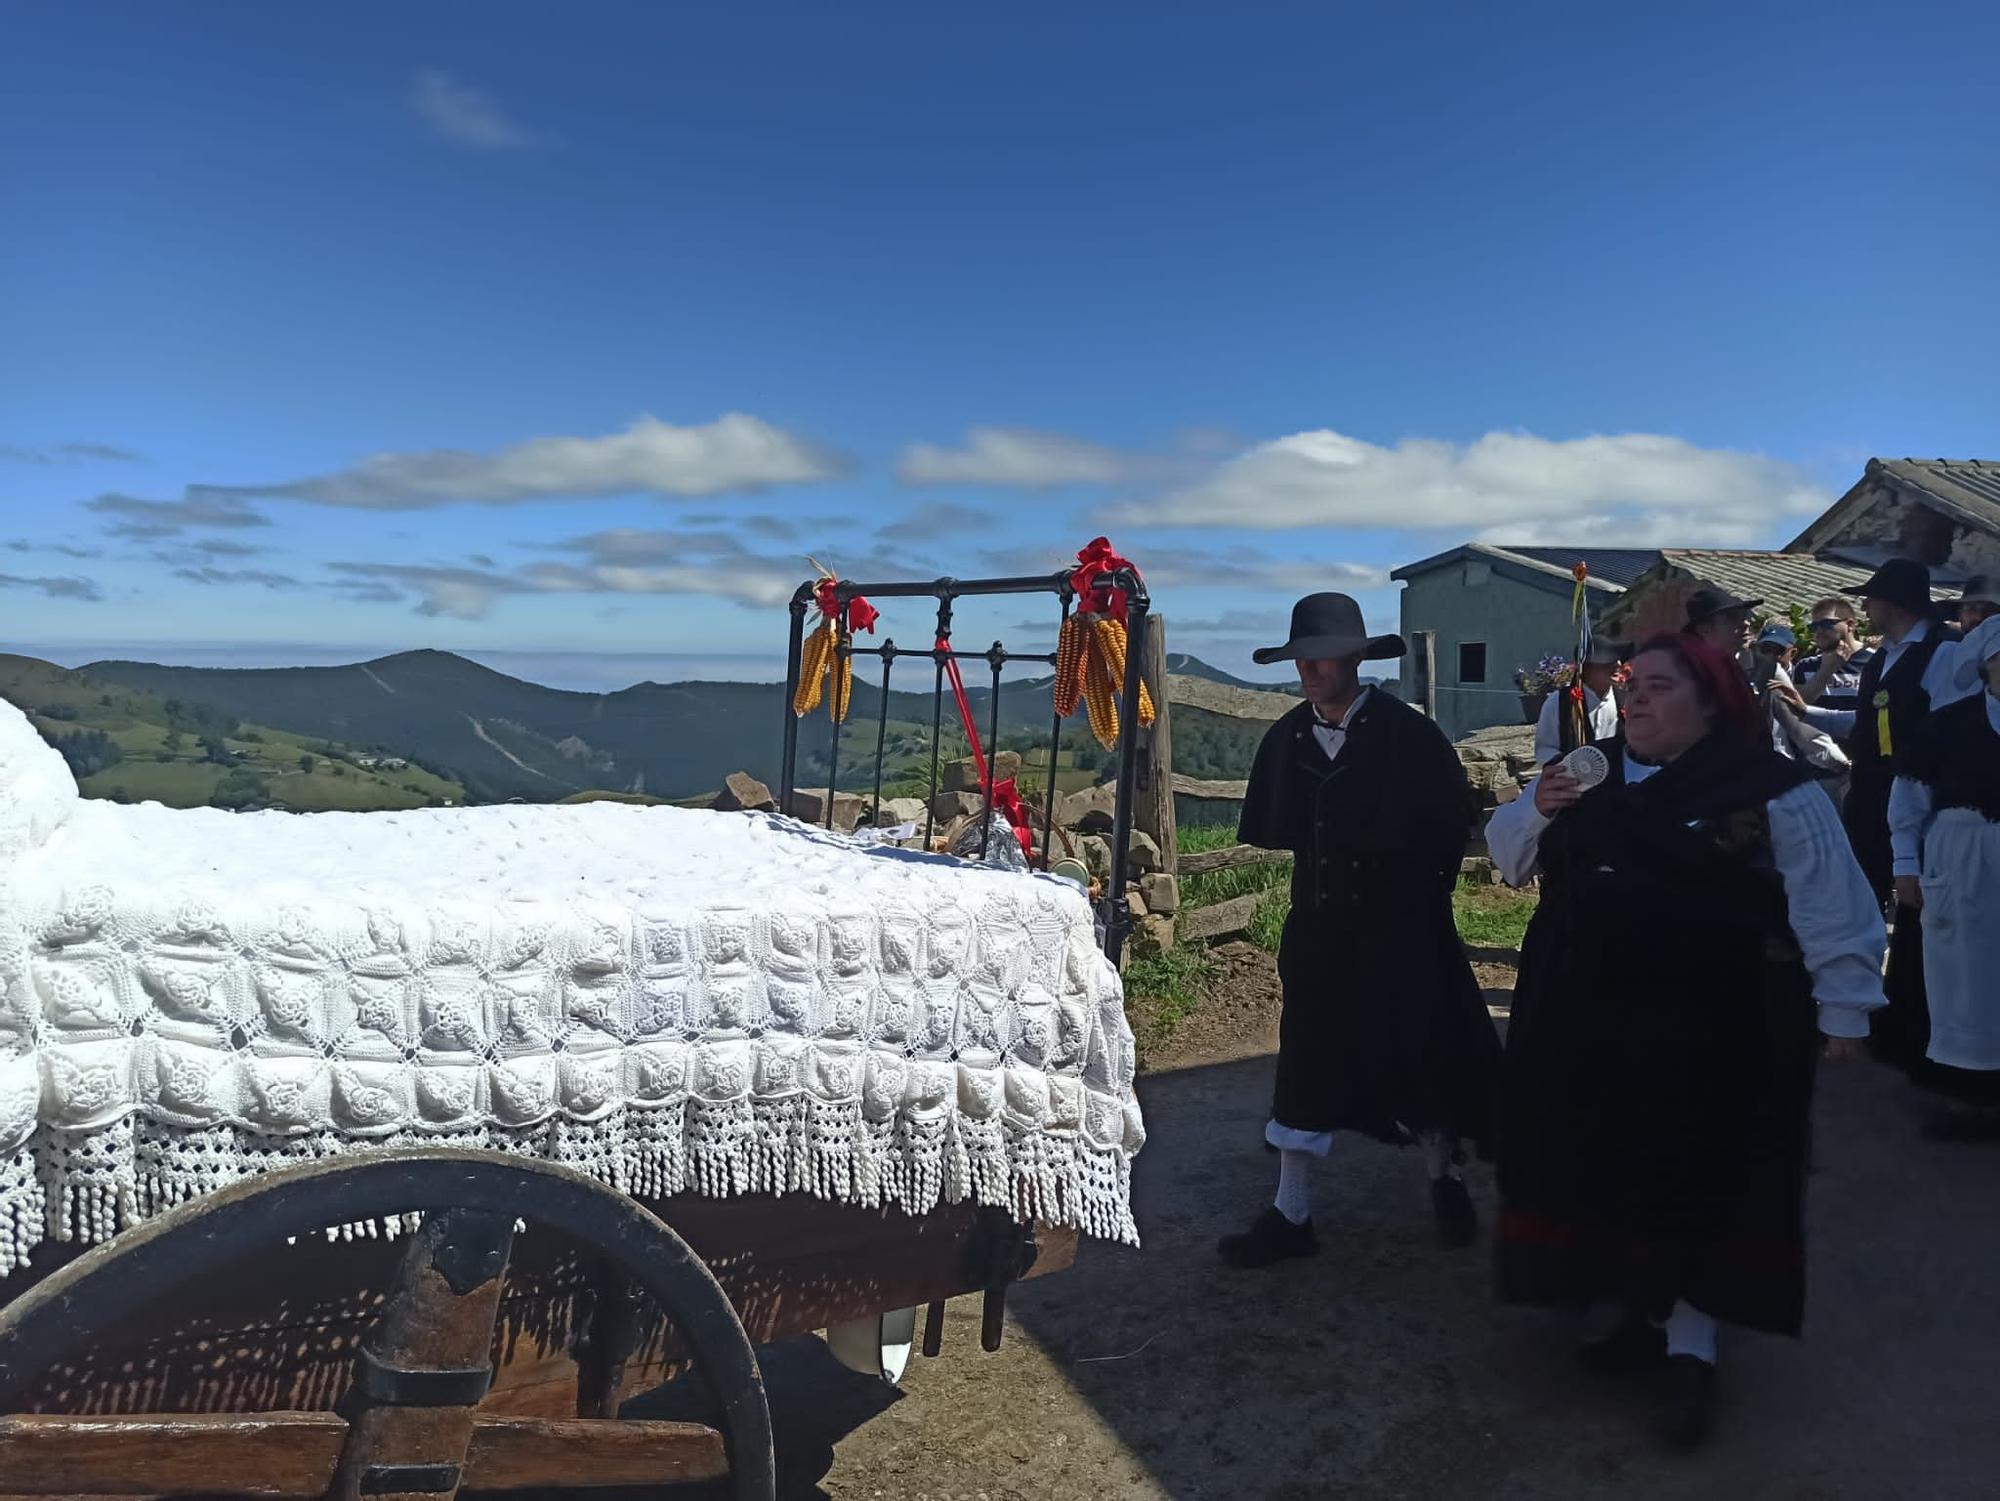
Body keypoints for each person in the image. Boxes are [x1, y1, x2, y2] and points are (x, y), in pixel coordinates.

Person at [1486, 634, 1885, 1448]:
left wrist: (1844, 1007)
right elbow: (1508, 861)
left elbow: (1831, 896)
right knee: (1605, 1164)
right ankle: (1636, 1312)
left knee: (1697, 1171)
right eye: (1630, 686)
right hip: (1583, 1018)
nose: (1633, 699)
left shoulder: (1764, 788)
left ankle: (1692, 1351)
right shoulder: (1583, 774)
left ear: (1710, 703)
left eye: (1659, 687)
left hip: (1711, 1022)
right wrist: (1536, 806)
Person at [1219, 592, 1501, 1268]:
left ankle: (1445, 1176)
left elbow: (1445, 837)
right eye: (1301, 660)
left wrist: (1414, 914)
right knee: (1306, 1065)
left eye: (1322, 657)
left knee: (1419, 1054)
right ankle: (1292, 1214)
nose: (1311, 670)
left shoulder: (1409, 736)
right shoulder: (1288, 737)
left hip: (1400, 930)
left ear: (1354, 656)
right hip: (1319, 932)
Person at [1778, 559, 1943, 1065]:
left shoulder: (1941, 651)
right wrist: (1808, 714)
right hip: (1873, 790)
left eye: (1870, 600)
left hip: (1918, 792)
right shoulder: (1885, 657)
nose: (1864, 609)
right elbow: (1868, 723)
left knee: (1915, 907)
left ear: (1892, 602)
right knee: (1860, 892)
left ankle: (1917, 1024)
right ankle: (1865, 1012)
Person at [1887, 617, 2000, 1141]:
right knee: (1963, 979)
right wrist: (1905, 865)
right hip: (1962, 859)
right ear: (1985, 666)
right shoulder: (1950, 724)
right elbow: (1908, 800)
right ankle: (1962, 1100)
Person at [1532, 638, 1626, 766]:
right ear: (1586, 670)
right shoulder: (1559, 702)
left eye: (1617, 660)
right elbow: (1545, 749)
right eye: (1608, 662)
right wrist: (1567, 768)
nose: (1618, 665)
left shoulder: (1625, 699)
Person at [1792, 597, 1876, 711]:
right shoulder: (1805, 665)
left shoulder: (1875, 660)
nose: (1819, 631)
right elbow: (1797, 706)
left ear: (1850, 625)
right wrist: (1826, 670)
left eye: (1826, 624)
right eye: (1814, 627)